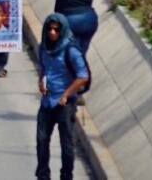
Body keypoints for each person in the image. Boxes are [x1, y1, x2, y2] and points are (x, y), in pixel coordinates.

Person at [36, 14, 89, 180]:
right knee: (41, 140)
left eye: (56, 29)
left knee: (66, 144)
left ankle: (66, 176)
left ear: (62, 30)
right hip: (47, 102)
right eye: (49, 28)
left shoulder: (71, 50)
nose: (52, 32)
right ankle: (43, 175)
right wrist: (41, 82)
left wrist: (66, 94)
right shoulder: (43, 47)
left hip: (64, 104)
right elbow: (44, 68)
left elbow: (82, 76)